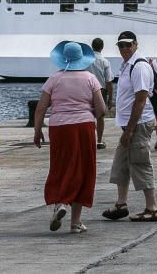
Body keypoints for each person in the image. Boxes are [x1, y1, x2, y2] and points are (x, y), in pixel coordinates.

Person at [33, 41, 106, 233]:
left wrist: (37, 130)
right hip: (83, 127)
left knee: (61, 166)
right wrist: (89, 113)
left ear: (63, 58)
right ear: (82, 58)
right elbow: (101, 109)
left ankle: (61, 203)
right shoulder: (90, 79)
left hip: (59, 128)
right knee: (83, 169)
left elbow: (41, 108)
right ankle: (75, 223)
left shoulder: (54, 79)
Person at [102, 31, 157, 222]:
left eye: (128, 44)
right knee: (121, 165)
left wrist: (129, 130)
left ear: (135, 44)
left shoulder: (140, 66)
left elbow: (141, 100)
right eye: (121, 45)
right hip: (128, 125)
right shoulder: (127, 65)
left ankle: (152, 208)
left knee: (140, 163)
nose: (124, 48)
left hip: (138, 124)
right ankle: (121, 204)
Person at [88, 37, 114, 149]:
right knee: (100, 117)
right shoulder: (105, 61)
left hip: (86, 90)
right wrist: (110, 98)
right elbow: (109, 81)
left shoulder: (86, 60)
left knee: (87, 115)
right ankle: (99, 140)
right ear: (102, 47)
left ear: (92, 46)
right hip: (100, 91)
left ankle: (89, 139)